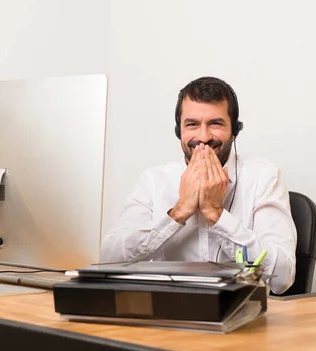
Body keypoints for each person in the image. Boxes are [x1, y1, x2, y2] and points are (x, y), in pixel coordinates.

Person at [100, 76, 297, 294]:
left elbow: (282, 277)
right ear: (179, 132)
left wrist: (216, 214)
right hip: (168, 311)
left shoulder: (263, 177)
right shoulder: (154, 180)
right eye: (192, 124)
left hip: (239, 310)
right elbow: (108, 259)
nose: (203, 137)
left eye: (215, 123)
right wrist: (178, 212)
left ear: (234, 131)